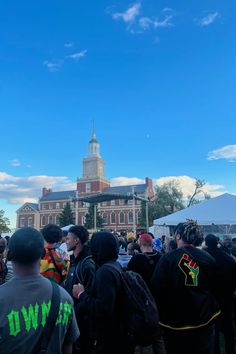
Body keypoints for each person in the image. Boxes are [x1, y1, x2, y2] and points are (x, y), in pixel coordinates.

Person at [0, 227, 79, 354]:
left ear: (9, 254)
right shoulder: (65, 298)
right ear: (41, 253)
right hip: (55, 291)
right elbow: (67, 347)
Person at [152, 220, 220, 354]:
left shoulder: (167, 258)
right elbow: (214, 287)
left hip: (175, 322)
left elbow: (156, 286)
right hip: (203, 319)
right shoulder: (208, 257)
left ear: (177, 235)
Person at [73, 231, 132, 354]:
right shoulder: (115, 265)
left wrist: (81, 294)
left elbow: (102, 308)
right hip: (120, 332)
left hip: (109, 338)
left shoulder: (104, 272)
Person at [65, 225, 96, 354]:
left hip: (82, 324)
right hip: (73, 320)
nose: (65, 241)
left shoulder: (87, 264)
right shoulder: (74, 261)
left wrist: (74, 313)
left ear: (76, 241)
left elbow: (91, 297)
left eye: (68, 239)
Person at [205, 234, 236, 354]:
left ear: (206, 243)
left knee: (214, 327)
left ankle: (216, 350)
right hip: (226, 297)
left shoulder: (203, 257)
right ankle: (230, 350)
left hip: (210, 298)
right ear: (218, 241)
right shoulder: (227, 258)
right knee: (228, 326)